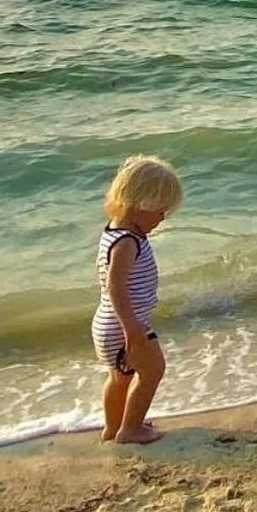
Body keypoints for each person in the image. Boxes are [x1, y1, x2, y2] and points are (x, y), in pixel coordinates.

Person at [92, 154, 182, 444]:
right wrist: (131, 326)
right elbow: (115, 285)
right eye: (159, 211)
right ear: (142, 204)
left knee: (119, 378)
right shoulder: (128, 242)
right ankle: (130, 429)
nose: (162, 218)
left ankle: (113, 427)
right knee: (153, 370)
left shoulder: (114, 232)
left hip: (107, 325)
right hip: (124, 325)